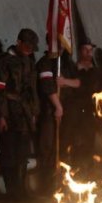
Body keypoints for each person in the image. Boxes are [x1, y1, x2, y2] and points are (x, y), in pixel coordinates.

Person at [0, 29, 40, 199]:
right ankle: (11, 191)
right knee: (8, 153)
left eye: (32, 47)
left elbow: (33, 88)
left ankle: (21, 189)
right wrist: (1, 116)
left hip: (25, 114)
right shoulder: (4, 61)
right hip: (10, 112)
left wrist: (34, 111)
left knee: (23, 153)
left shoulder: (29, 61)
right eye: (27, 46)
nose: (29, 50)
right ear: (18, 42)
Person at [36, 41, 80, 194]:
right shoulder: (45, 62)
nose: (60, 46)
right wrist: (57, 106)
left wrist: (64, 82)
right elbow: (47, 86)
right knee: (48, 148)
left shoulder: (68, 63)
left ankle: (64, 184)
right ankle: (47, 187)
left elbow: (78, 82)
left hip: (68, 112)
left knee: (65, 146)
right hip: (50, 112)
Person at [63, 39, 102, 172]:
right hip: (72, 112)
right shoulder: (71, 69)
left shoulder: (96, 72)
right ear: (80, 51)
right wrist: (69, 82)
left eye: (90, 50)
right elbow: (63, 86)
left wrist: (68, 82)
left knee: (88, 144)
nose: (88, 53)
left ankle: (87, 175)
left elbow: (87, 86)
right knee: (71, 143)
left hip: (89, 113)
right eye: (86, 50)